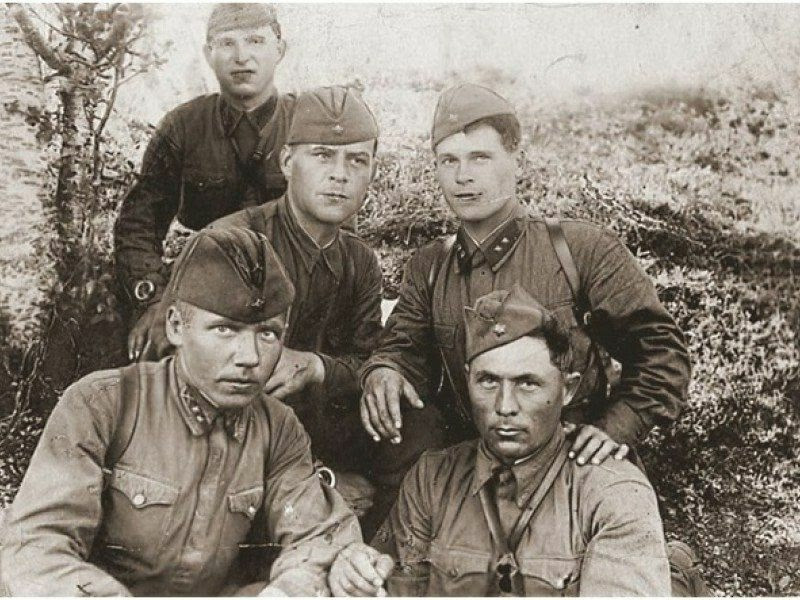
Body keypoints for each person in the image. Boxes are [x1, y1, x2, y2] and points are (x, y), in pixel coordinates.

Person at [359, 83, 691, 500]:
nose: (463, 176)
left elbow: (662, 353)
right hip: (474, 476)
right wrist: (385, 370)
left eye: (480, 157)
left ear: (517, 159)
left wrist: (615, 427)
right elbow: (402, 346)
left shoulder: (582, 250)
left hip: (571, 471)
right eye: (449, 160)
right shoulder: (430, 265)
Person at [0, 228, 362, 596]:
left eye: (267, 334)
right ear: (175, 326)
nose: (250, 357)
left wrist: (289, 589)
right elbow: (37, 549)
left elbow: (319, 541)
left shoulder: (278, 427)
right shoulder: (101, 404)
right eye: (225, 329)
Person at [333, 286, 706, 596]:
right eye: (488, 381)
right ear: (468, 380)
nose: (504, 406)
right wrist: (357, 573)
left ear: (568, 389)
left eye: (528, 383)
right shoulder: (432, 479)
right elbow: (395, 583)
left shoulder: (612, 492)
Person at [149, 85, 383, 531]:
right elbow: (170, 361)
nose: (340, 175)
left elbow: (370, 360)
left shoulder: (360, 261)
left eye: (357, 160)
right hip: (222, 443)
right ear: (287, 162)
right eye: (322, 156)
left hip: (315, 440)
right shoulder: (230, 240)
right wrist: (318, 479)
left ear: (373, 171)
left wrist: (316, 367)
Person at [114, 3, 296, 363]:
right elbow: (139, 224)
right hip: (204, 289)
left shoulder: (306, 123)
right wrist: (153, 300)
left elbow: (338, 231)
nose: (241, 56)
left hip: (291, 291)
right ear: (208, 54)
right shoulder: (183, 127)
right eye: (227, 43)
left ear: (279, 50)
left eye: (255, 41)